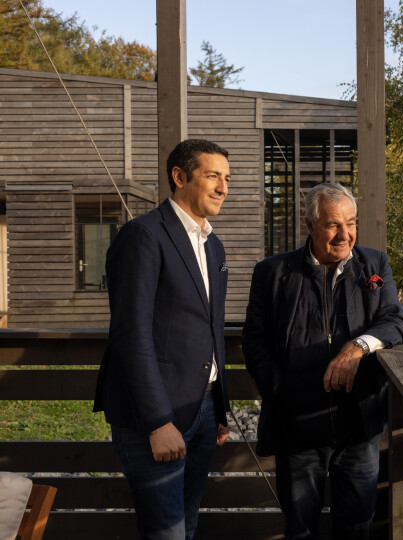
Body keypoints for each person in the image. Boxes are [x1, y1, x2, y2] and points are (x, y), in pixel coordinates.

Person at [242, 182, 403, 539]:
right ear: (310, 225)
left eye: (351, 222)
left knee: (357, 525)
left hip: (358, 428)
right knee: (300, 528)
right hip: (298, 428)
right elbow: (254, 340)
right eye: (333, 224)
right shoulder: (273, 273)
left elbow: (396, 320)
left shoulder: (374, 264)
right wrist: (277, 388)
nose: (345, 234)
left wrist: (357, 346)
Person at [94, 139, 232, 539]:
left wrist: (218, 407)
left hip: (202, 411)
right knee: (166, 534)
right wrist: (157, 422)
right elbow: (129, 334)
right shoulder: (142, 236)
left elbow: (210, 330)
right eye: (213, 176)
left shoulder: (213, 244)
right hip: (155, 418)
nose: (223, 186)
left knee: (185, 530)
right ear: (179, 176)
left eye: (227, 178)